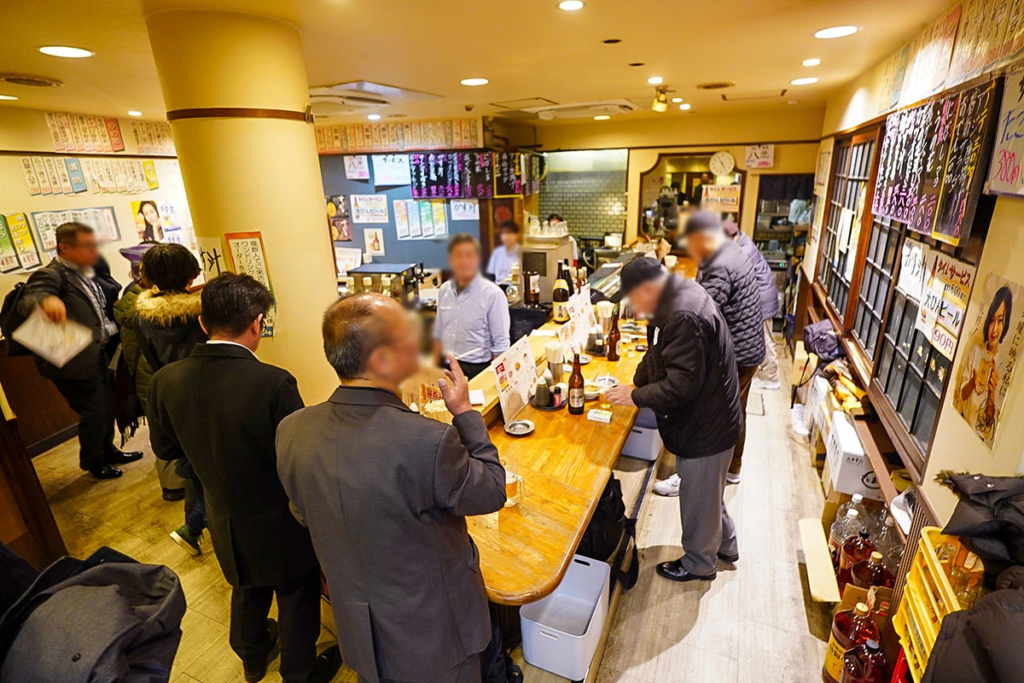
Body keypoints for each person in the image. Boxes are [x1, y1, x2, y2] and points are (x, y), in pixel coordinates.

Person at [277, 293, 507, 683]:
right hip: (436, 635)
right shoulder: (428, 441)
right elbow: (493, 490)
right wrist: (465, 413)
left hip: (360, 631)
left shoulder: (292, 430)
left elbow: (303, 512)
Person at [147, 273, 340, 683]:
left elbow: (166, 450)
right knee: (296, 594)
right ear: (257, 323)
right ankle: (300, 674)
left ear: (203, 322)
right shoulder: (273, 382)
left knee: (246, 584)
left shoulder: (165, 381)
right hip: (279, 518)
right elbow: (298, 458)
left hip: (222, 515)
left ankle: (253, 657)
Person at [603, 258, 741, 582]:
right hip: (716, 415)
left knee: (699, 499)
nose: (633, 307)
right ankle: (727, 545)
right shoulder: (676, 295)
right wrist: (638, 382)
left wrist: (635, 396)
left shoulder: (682, 315)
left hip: (707, 426)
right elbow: (657, 353)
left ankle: (699, 563)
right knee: (709, 494)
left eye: (633, 298)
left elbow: (681, 386)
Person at [18, 222, 142, 479]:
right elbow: (34, 295)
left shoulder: (86, 271)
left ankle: (108, 451)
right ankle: (93, 461)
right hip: (74, 358)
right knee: (95, 409)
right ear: (64, 247)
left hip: (100, 352)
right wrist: (48, 300)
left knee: (106, 405)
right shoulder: (51, 274)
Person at [655, 210, 763, 491]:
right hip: (747, 347)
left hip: (736, 352)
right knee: (735, 410)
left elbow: (703, 309)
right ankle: (732, 468)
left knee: (706, 412)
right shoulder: (728, 249)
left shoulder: (718, 262)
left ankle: (692, 477)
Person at [119, 244, 210, 554]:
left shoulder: (143, 316)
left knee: (194, 465)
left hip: (172, 399)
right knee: (211, 469)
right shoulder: (204, 313)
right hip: (206, 396)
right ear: (190, 274)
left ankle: (192, 528)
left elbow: (151, 360)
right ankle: (195, 525)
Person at [113, 241, 186, 500]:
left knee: (164, 429)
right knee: (175, 431)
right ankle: (177, 486)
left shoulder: (133, 301)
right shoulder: (165, 310)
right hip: (162, 374)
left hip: (149, 375)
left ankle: (173, 485)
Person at [433, 233, 511, 379]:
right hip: (447, 365)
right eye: (458, 255)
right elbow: (439, 331)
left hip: (477, 368)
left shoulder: (493, 294)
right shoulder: (444, 290)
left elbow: (501, 344)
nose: (464, 261)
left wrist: (492, 379)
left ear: (477, 259)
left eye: (469, 255)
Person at [723, 220, 781, 390]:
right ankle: (766, 374)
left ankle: (772, 378)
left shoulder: (743, 251)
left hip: (762, 299)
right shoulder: (743, 242)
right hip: (762, 296)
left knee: (765, 339)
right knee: (761, 338)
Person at [954, 286, 1013, 442]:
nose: (994, 330)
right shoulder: (976, 351)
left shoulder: (1003, 366)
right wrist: (973, 383)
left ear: (1005, 324)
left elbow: (989, 424)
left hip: (977, 439)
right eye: (992, 320)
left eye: (1000, 321)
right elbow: (962, 395)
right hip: (960, 422)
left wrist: (991, 392)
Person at [485, 220, 520, 285]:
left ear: (516, 235)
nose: (506, 236)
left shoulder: (522, 252)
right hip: (499, 287)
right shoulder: (497, 252)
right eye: (504, 233)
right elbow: (491, 275)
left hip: (516, 287)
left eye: (509, 233)